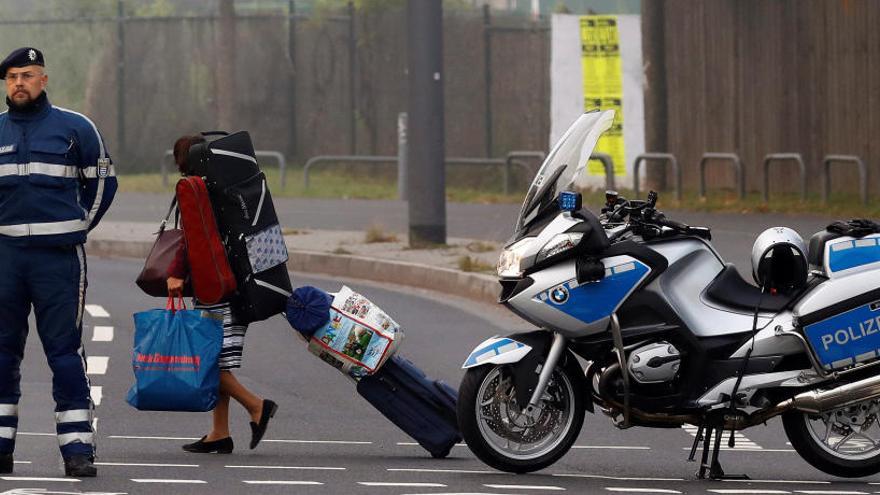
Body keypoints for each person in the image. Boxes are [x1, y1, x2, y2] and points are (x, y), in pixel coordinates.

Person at [0, 47, 116, 478]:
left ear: (43, 79)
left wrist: (78, 227)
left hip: (59, 261)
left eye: (27, 75)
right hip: (6, 259)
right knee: (1, 352)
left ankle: (77, 449)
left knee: (63, 353)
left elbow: (104, 181)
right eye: (11, 77)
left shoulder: (75, 128)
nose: (18, 84)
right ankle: (1, 446)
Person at [167, 134, 277, 454]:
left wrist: (176, 272)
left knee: (208, 362)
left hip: (215, 287)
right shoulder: (227, 185)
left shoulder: (196, 189)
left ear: (182, 161)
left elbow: (192, 240)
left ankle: (257, 406)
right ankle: (219, 433)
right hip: (241, 283)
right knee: (218, 361)